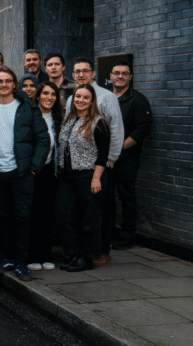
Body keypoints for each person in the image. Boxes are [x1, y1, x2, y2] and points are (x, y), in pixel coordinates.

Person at [0, 67, 50, 282]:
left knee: (22, 217)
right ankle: (7, 258)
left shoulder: (27, 107)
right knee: (3, 217)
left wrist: (34, 167)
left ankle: (21, 262)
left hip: (22, 172)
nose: (4, 85)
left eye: (8, 81)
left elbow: (43, 139)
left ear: (14, 84)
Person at [66, 58, 125, 265]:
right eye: (77, 71)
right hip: (77, 168)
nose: (81, 74)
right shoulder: (71, 98)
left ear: (93, 74)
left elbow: (116, 129)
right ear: (73, 75)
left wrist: (111, 158)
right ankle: (82, 251)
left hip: (100, 165)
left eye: (85, 71)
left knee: (101, 211)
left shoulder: (107, 97)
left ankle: (102, 252)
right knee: (82, 212)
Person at [56, 85, 111, 272]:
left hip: (88, 175)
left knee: (88, 218)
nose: (80, 100)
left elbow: (103, 155)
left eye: (85, 97)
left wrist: (96, 178)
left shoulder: (99, 122)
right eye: (78, 96)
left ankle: (87, 258)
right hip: (66, 175)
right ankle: (73, 253)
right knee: (64, 215)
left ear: (92, 101)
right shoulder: (69, 119)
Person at [108, 62, 152, 249]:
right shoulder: (107, 98)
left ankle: (127, 236)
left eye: (125, 73)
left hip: (127, 158)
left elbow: (142, 129)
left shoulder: (138, 100)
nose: (120, 76)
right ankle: (109, 232)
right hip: (107, 158)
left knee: (126, 195)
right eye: (117, 73)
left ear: (130, 77)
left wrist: (117, 150)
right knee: (107, 196)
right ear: (111, 76)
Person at [28, 81, 63, 272]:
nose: (49, 97)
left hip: (50, 171)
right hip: (32, 171)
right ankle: (33, 255)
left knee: (48, 214)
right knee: (32, 213)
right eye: (45, 93)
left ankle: (46, 254)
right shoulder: (30, 117)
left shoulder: (59, 119)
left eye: (53, 94)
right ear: (38, 96)